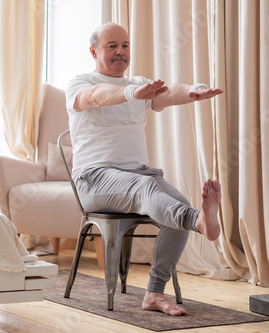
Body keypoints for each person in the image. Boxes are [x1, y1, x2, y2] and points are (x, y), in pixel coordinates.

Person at [65, 22, 223, 316]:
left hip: (137, 175)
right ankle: (197, 220)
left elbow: (168, 92)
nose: (120, 52)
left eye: (125, 45)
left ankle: (154, 293)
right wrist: (134, 93)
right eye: (112, 46)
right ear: (94, 51)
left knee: (176, 205)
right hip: (94, 179)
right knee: (150, 191)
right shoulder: (81, 82)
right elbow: (97, 96)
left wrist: (192, 90)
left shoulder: (137, 82)